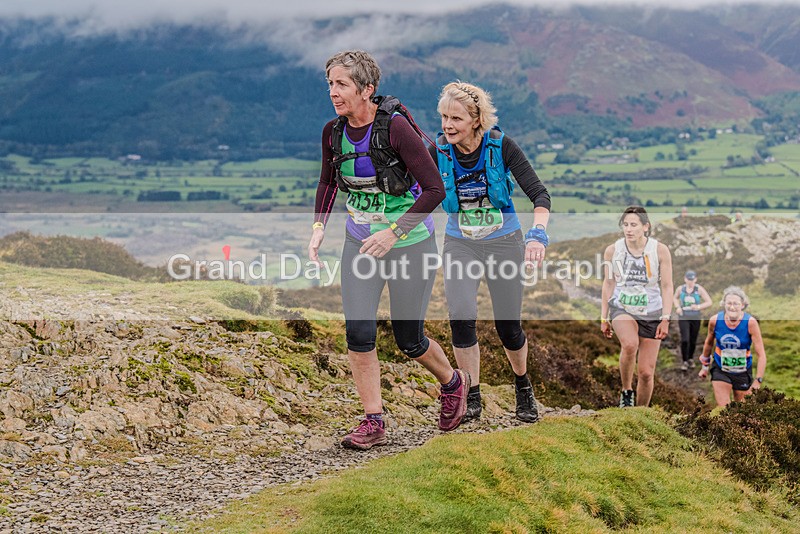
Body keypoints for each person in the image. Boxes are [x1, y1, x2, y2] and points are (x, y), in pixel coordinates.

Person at [308, 50, 469, 450]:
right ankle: (373, 421)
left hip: (410, 243)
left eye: (342, 84)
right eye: (330, 84)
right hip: (359, 243)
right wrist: (317, 228)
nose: (333, 92)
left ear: (367, 89)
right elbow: (328, 182)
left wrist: (394, 233)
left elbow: (435, 190)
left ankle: (452, 383)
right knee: (358, 332)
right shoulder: (333, 132)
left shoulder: (395, 129)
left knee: (409, 339)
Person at [430, 81, 551, 422]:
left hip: (504, 241)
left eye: (456, 118)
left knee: (508, 326)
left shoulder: (501, 146)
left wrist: (537, 235)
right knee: (461, 316)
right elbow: (412, 186)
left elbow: (540, 195)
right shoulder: (438, 151)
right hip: (461, 242)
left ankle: (523, 387)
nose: (447, 126)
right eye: (443, 117)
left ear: (477, 120)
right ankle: (472, 395)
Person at [601, 206, 673, 407]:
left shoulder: (659, 250)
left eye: (634, 225)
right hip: (622, 307)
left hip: (652, 311)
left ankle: (640, 413)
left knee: (646, 373)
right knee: (630, 344)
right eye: (625, 225)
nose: (629, 229)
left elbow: (667, 286)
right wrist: (604, 317)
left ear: (645, 227)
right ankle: (626, 391)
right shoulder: (612, 250)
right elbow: (608, 283)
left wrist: (665, 318)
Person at [698, 286, 766, 407]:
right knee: (725, 408)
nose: (732, 306)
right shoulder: (715, 321)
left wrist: (758, 380)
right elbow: (709, 343)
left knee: (741, 410)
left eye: (736, 303)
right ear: (724, 304)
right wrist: (704, 366)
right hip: (720, 369)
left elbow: (761, 355)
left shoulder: (750, 323)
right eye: (728, 303)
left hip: (743, 371)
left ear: (743, 305)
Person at [672, 270, 712, 371]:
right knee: (685, 339)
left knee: (693, 340)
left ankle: (690, 358)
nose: (690, 281)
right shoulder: (681, 289)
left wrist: (698, 306)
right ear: (685, 279)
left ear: (695, 279)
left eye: (692, 279)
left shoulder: (699, 289)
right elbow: (675, 298)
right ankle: (684, 361)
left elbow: (709, 302)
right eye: (689, 279)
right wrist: (677, 307)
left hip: (695, 317)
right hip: (684, 317)